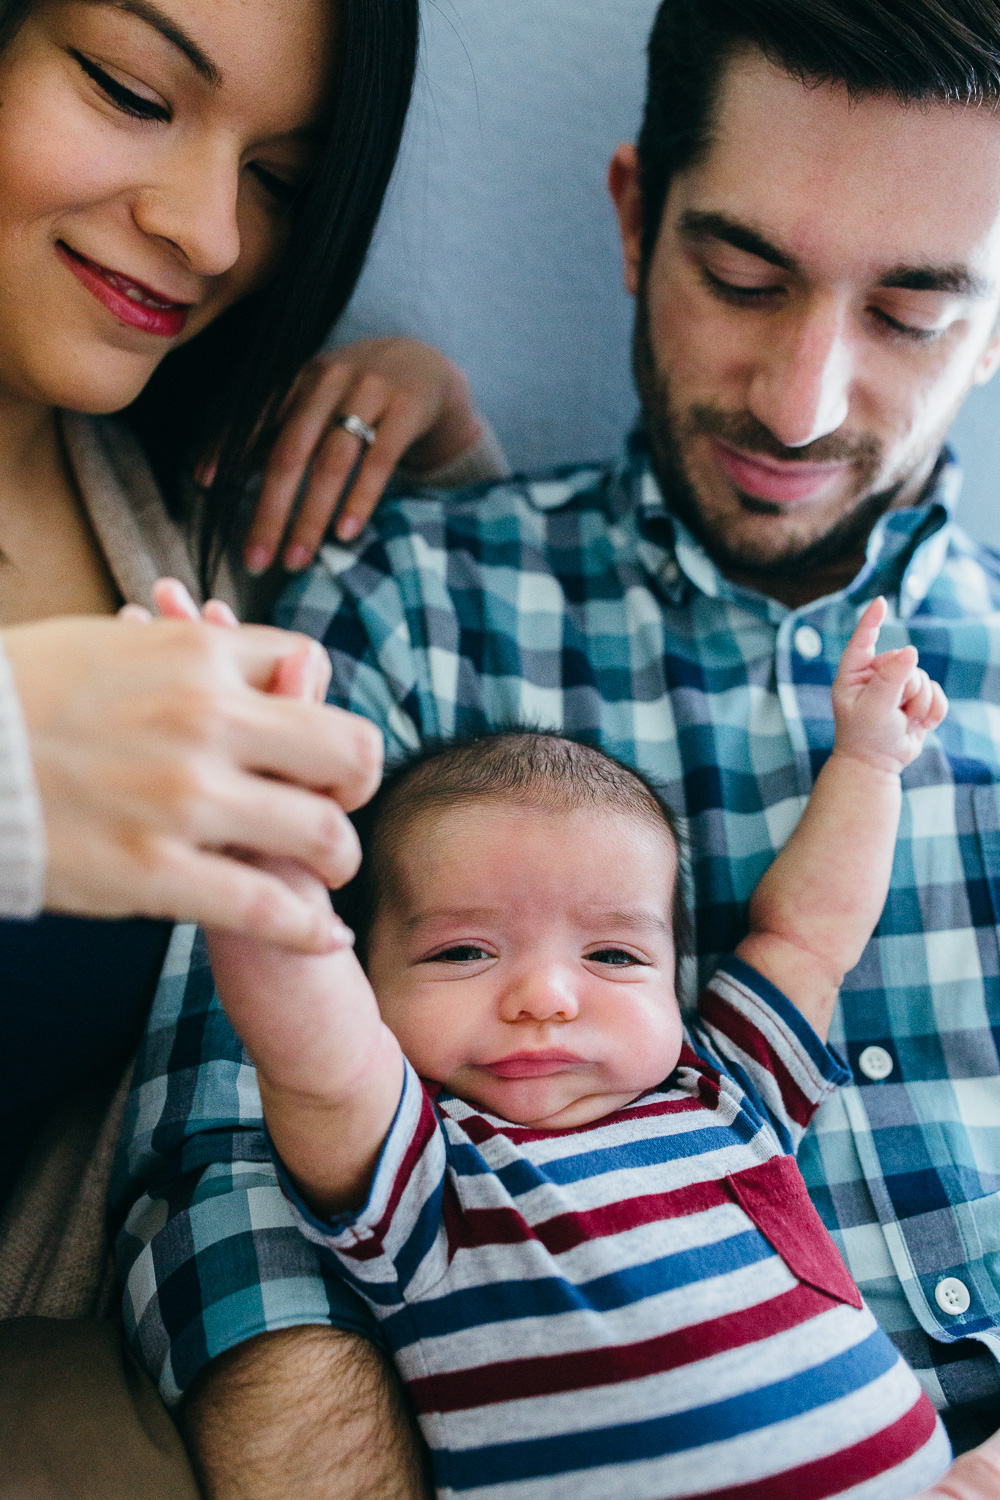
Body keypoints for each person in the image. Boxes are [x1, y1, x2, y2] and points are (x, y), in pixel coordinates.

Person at [116, 0, 1000, 1493]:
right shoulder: (412, 603)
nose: (799, 405)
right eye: (740, 278)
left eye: (912, 314)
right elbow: (229, 1159)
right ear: (636, 220)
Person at [0, 0, 513, 1492]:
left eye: (281, 179)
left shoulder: (181, 534)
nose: (211, 231)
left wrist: (437, 458)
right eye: (130, 89)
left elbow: (480, 766)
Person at [204, 603, 957, 1498]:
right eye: (462, 951)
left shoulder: (727, 1086)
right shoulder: (422, 1173)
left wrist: (869, 763)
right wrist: (255, 860)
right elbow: (313, 1056)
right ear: (367, 978)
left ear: (674, 980)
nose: (545, 999)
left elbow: (808, 935)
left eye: (612, 955)